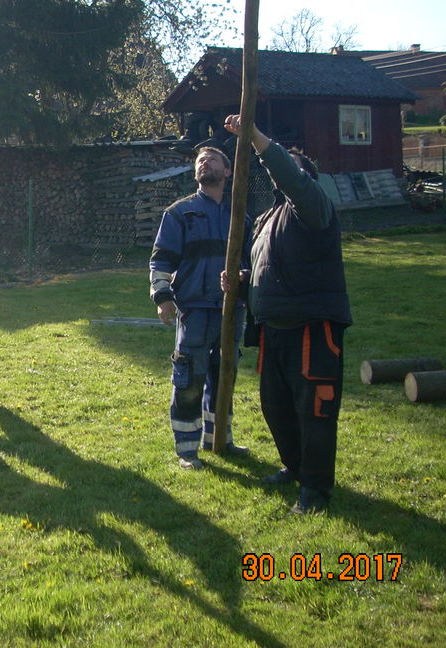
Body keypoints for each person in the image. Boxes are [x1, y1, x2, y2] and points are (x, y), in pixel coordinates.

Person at [223, 114, 351, 515]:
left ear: (306, 176)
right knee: (276, 408)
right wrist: (241, 282)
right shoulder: (266, 220)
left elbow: (290, 178)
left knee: (314, 411)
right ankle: (295, 468)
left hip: (311, 326)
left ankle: (315, 490)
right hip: (272, 329)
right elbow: (267, 271)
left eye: (288, 166)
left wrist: (255, 137)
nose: (277, 173)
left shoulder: (313, 207)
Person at [149, 145, 252, 470]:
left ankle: (219, 438)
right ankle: (187, 449)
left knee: (224, 376)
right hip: (194, 309)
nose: (204, 163)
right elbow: (161, 259)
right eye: (200, 161)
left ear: (228, 171)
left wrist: (244, 276)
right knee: (189, 379)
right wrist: (163, 297)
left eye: (212, 159)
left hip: (230, 311)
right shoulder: (180, 213)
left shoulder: (240, 215)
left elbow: (252, 260)